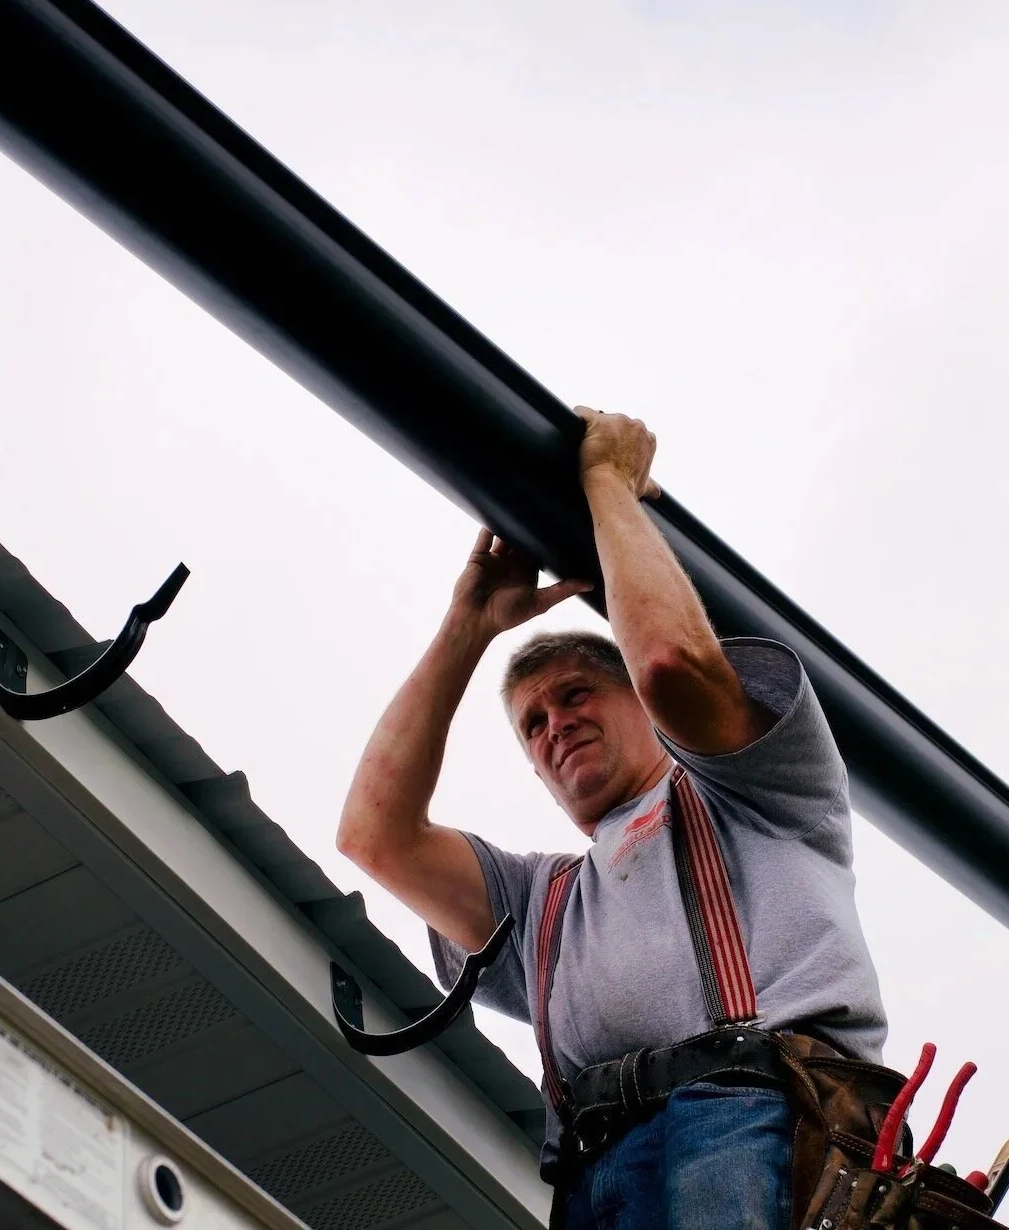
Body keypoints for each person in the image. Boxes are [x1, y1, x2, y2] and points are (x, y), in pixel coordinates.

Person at [338, 409, 887, 1230]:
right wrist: (468, 624)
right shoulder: (542, 903)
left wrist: (606, 483)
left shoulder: (758, 784)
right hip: (595, 1174)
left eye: (575, 693)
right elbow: (373, 834)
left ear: (635, 702)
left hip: (755, 1117)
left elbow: (669, 661)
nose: (555, 724)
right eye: (533, 723)